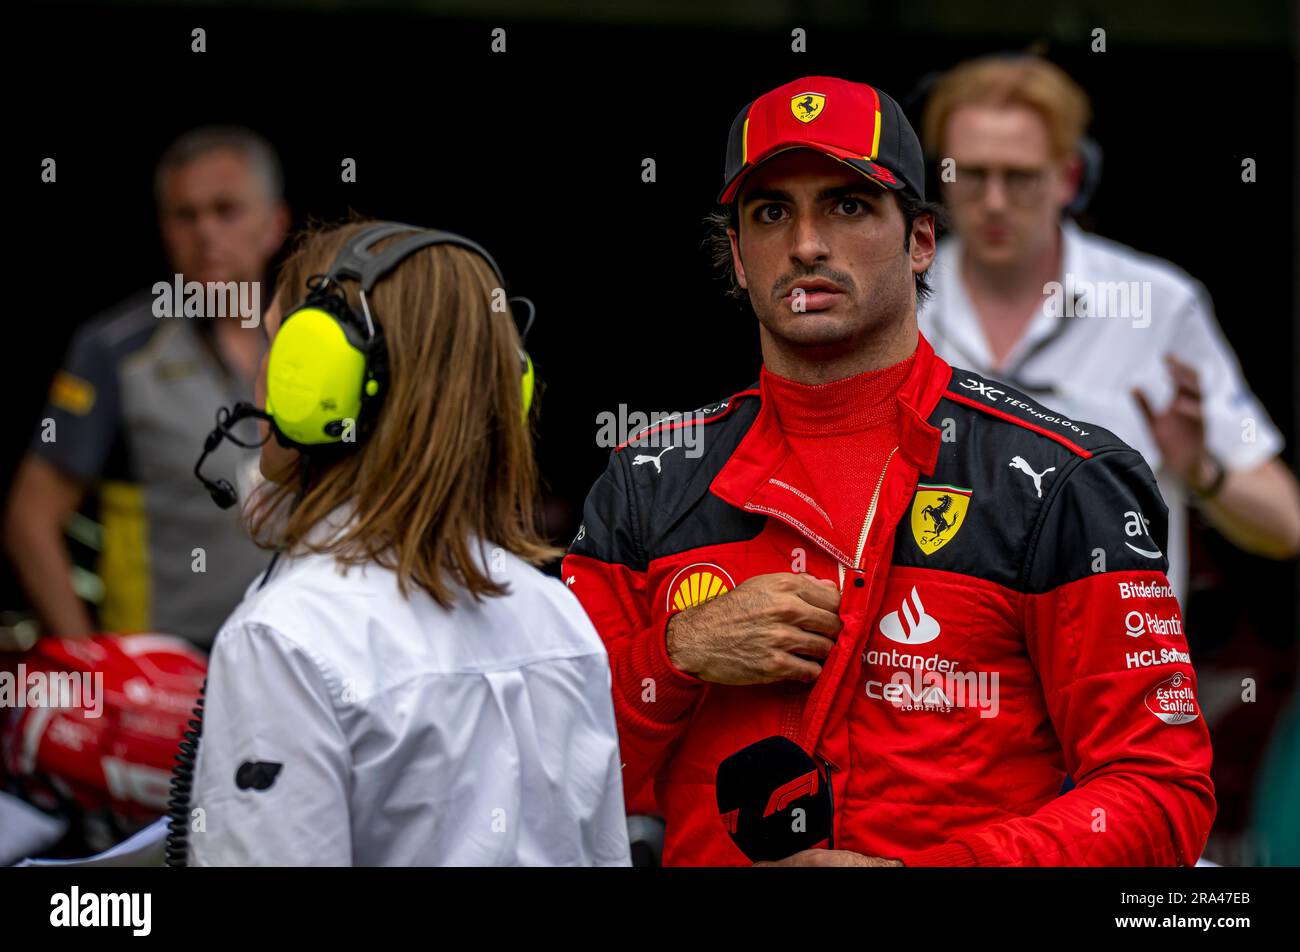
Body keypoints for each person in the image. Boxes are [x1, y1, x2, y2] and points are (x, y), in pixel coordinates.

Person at [564, 75, 1215, 866]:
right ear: (737, 256)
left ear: (921, 241)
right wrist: (673, 654)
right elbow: (555, 776)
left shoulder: (1066, 480)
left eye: (848, 205)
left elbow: (1160, 792)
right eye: (771, 212)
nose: (807, 243)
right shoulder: (648, 480)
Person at [181, 220, 630, 866]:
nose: (266, 380)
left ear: (328, 384)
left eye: (282, 353)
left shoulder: (284, 639)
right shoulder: (558, 616)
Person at [916, 54, 1300, 604]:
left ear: (1068, 177)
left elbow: (1285, 524)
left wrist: (1202, 470)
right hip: (939, 675)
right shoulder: (898, 303)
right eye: (973, 174)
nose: (994, 201)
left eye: (1020, 177)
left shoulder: (1159, 305)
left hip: (1120, 673)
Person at [4, 126, 290, 647]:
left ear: (274, 224)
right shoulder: (118, 350)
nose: (206, 232)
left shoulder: (315, 342)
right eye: (186, 215)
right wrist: (96, 671)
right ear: (164, 228)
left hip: (295, 662)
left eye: (226, 210)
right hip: (168, 675)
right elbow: (29, 518)